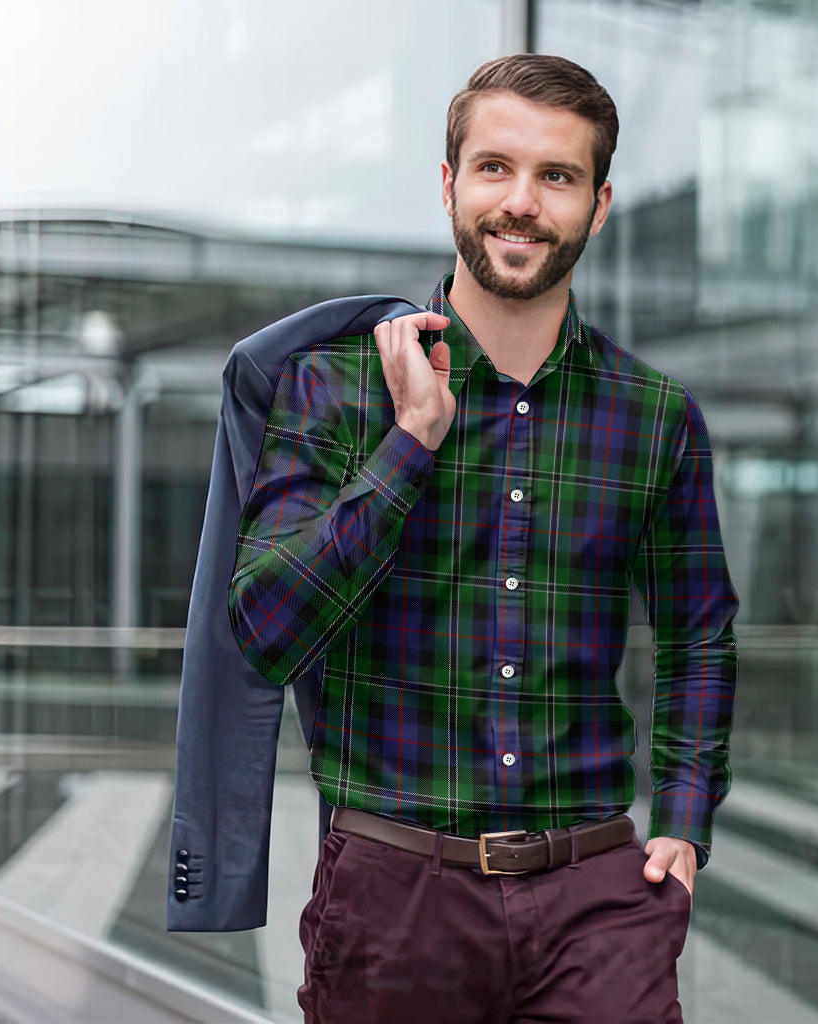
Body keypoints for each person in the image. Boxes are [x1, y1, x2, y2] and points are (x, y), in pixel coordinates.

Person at [227, 54, 738, 1024]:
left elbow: (699, 630)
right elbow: (265, 631)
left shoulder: (652, 416)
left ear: (599, 203)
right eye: (495, 167)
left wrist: (682, 818)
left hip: (597, 897)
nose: (522, 202)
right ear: (450, 182)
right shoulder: (335, 389)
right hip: (395, 896)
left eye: (558, 176)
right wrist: (410, 443)